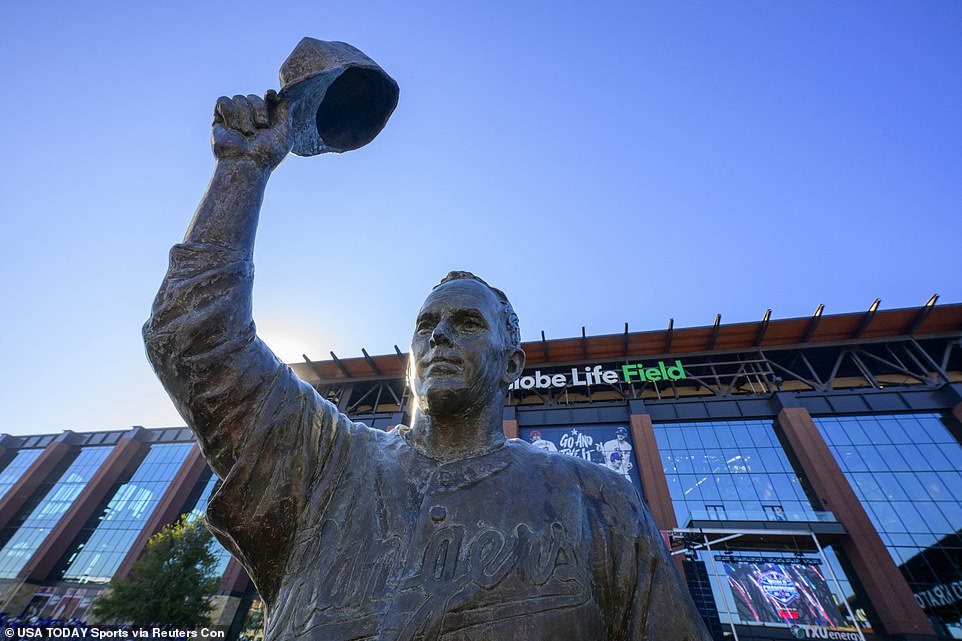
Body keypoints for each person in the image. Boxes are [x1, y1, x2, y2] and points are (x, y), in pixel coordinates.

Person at [144, 90, 712, 641]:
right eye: (425, 325)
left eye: (466, 323)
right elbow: (194, 339)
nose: (439, 334)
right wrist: (241, 170)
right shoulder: (327, 462)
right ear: (411, 362)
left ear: (511, 362)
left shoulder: (598, 501)